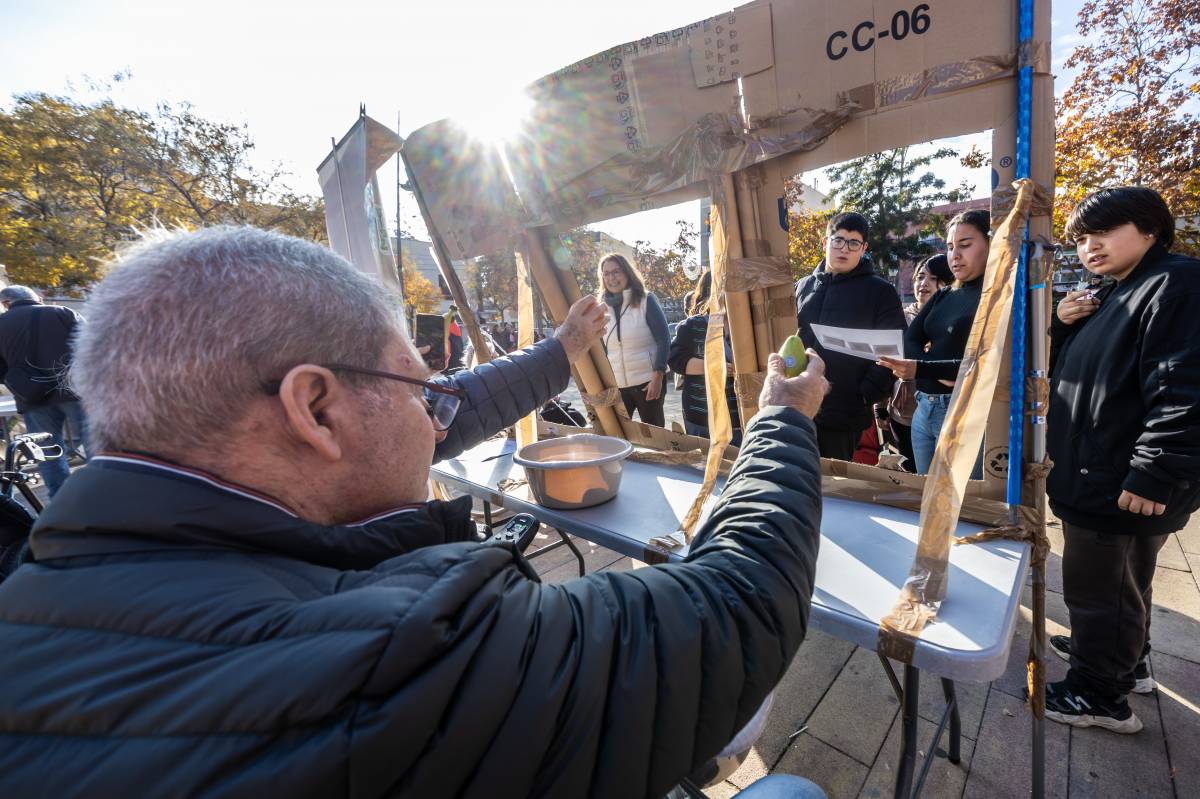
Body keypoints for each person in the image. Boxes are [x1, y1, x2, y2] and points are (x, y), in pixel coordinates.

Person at [0, 225, 832, 799]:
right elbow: (740, 599)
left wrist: (556, 356)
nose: (441, 414)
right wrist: (785, 418)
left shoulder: (40, 592)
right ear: (315, 410)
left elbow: (428, 419)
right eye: (421, 389)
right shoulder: (395, 662)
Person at [1041, 187, 1200, 734]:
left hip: (1118, 477)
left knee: (1098, 588)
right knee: (1124, 582)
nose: (1090, 246)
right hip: (1103, 469)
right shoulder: (1121, 291)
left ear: (1151, 228)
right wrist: (1064, 324)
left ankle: (1098, 695)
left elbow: (1184, 387)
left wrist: (1156, 469)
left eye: (1103, 231)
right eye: (1082, 238)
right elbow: (1079, 371)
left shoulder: (1176, 284)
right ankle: (1123, 663)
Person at [878, 210, 990, 476]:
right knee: (927, 495)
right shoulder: (945, 295)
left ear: (992, 244)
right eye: (950, 247)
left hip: (963, 411)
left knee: (963, 504)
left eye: (965, 245)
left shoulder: (995, 298)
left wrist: (922, 368)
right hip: (923, 408)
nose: (955, 255)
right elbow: (911, 338)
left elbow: (984, 361)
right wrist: (933, 368)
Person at [795, 211, 906, 460]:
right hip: (797, 405)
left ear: (863, 247)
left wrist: (865, 393)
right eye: (838, 240)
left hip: (843, 412)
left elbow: (894, 349)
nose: (844, 249)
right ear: (825, 243)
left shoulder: (880, 292)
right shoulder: (802, 287)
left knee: (834, 489)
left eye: (853, 243)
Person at [0, 285, 88, 496]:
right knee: (96, 442)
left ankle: (61, 500)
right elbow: (94, 345)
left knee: (47, 452)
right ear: (37, 299)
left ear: (6, 304)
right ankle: (107, 491)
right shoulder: (62, 313)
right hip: (75, 389)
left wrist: (17, 380)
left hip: (32, 398)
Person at [877, 255, 953, 471]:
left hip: (946, 411)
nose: (924, 284)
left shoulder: (955, 319)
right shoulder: (900, 319)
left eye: (934, 278)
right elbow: (883, 362)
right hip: (903, 414)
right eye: (920, 277)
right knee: (913, 474)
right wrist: (880, 408)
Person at [667, 270, 742, 445]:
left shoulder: (750, 327)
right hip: (701, 417)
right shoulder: (692, 325)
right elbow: (675, 359)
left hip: (739, 418)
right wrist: (713, 366)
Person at [598, 252, 671, 426]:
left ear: (627, 273)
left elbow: (664, 339)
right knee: (617, 435)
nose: (611, 278)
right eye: (606, 273)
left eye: (616, 272)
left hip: (647, 382)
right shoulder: (600, 307)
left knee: (655, 435)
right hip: (616, 385)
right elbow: (600, 348)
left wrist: (658, 376)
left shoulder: (646, 300)